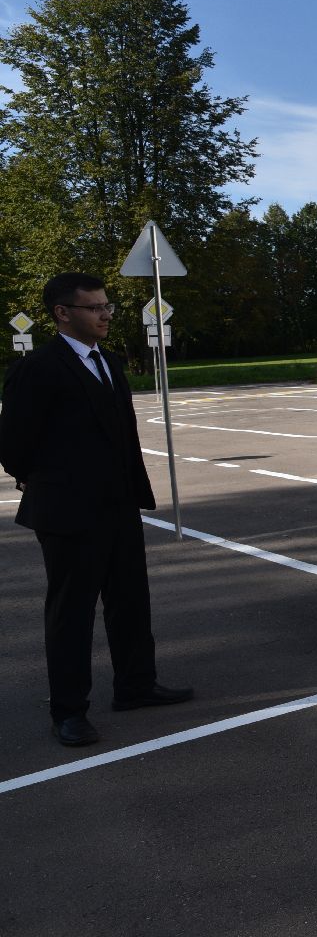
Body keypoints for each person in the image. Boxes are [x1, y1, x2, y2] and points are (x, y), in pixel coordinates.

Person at [0, 273, 192, 747]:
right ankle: (68, 710)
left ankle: (135, 685)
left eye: (107, 306)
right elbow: (14, 443)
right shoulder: (38, 367)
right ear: (63, 313)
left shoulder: (108, 360)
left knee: (130, 601)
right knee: (72, 613)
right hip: (67, 512)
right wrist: (40, 478)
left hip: (118, 505)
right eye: (94, 308)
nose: (106, 314)